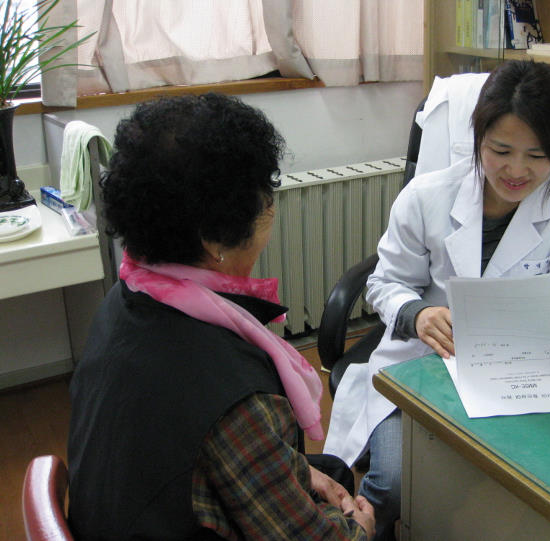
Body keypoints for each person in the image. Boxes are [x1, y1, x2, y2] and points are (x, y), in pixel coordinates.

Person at [67, 93, 375, 540]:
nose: (271, 210)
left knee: (328, 470)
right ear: (215, 238)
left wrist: (293, 471)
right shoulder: (234, 401)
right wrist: (361, 530)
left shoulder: (123, 301)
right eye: (266, 199)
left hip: (131, 508)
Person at [324, 60, 550, 540]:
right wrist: (417, 314)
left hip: (525, 366)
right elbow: (385, 282)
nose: (516, 171)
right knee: (395, 484)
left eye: (537, 156)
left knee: (543, 486)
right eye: (501, 150)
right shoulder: (428, 195)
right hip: (427, 362)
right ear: (477, 138)